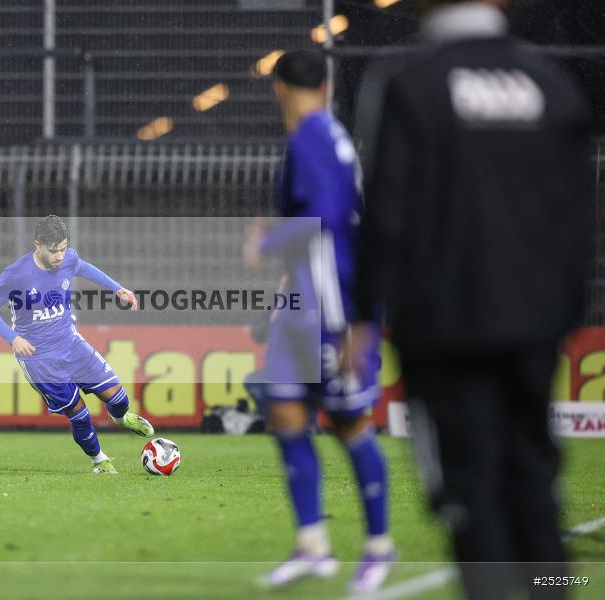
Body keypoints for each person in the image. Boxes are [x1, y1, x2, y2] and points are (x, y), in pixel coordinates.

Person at [349, 1, 593, 598]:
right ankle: (548, 588)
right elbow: (579, 214)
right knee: (535, 477)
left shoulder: (409, 81)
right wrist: (563, 313)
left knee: (468, 486)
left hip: (444, 324)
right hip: (536, 322)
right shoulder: (550, 81)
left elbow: (387, 211)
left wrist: (363, 315)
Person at [244, 50, 396, 593]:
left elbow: (326, 218)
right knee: (285, 411)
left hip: (332, 307)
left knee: (349, 421)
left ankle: (379, 546)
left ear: (277, 88)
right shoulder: (328, 135)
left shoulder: (311, 138)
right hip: (303, 302)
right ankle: (312, 543)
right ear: (327, 86)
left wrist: (268, 243)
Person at [0, 215, 155, 474]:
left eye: (62, 248)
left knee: (118, 396)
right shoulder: (16, 274)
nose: (59, 256)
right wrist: (13, 338)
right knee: (80, 415)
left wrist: (118, 289)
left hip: (72, 344)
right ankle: (100, 461)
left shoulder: (68, 258)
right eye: (53, 251)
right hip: (40, 359)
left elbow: (83, 268)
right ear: (38, 244)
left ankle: (122, 418)